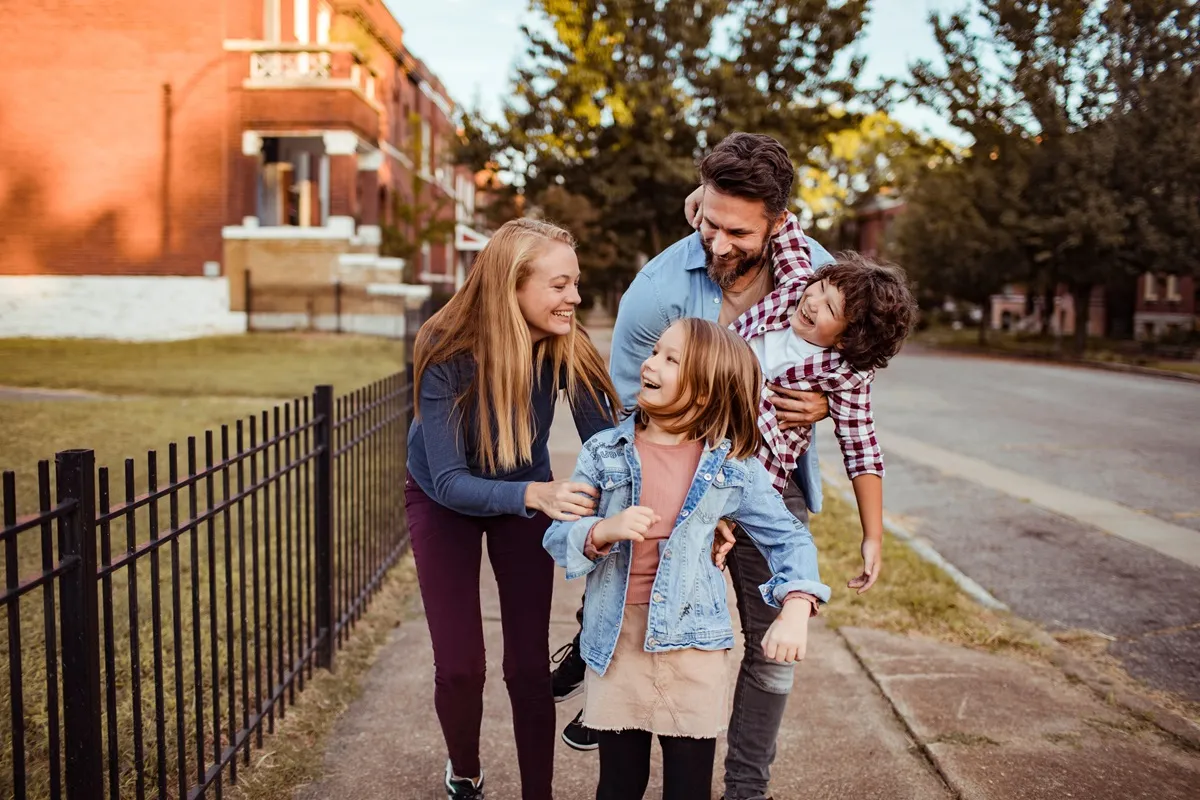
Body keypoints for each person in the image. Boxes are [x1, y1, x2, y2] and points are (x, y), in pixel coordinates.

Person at [552, 132, 834, 800]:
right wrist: (672, 508)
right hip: (669, 482)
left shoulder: (819, 276)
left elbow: (863, 345)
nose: (718, 242)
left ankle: (744, 789)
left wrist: (826, 401)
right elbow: (622, 409)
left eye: (738, 231)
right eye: (709, 222)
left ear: (778, 223)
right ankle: (602, 673)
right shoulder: (657, 287)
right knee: (642, 596)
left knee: (769, 657)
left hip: (768, 481)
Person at [543, 318, 831, 800]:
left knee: (688, 786)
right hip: (617, 640)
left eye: (671, 360)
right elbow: (557, 536)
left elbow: (790, 539)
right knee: (618, 784)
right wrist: (600, 530)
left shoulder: (731, 467)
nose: (650, 364)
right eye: (655, 352)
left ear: (705, 392)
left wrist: (797, 606)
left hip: (693, 643)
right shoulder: (604, 451)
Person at [404, 218, 620, 800]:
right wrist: (539, 495)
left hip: (524, 494)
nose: (574, 297)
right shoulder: (444, 346)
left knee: (527, 668)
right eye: (560, 285)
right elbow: (450, 481)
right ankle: (466, 774)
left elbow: (612, 445)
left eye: (575, 283)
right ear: (511, 285)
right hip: (441, 497)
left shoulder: (562, 343)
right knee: (460, 666)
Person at [746, 251, 918, 592]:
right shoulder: (795, 289)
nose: (813, 301)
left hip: (758, 474)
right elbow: (785, 231)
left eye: (830, 308)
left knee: (786, 573)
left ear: (845, 338)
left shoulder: (845, 375)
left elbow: (861, 449)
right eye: (820, 287)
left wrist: (873, 537)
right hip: (703, 442)